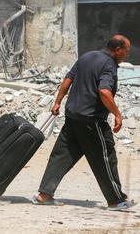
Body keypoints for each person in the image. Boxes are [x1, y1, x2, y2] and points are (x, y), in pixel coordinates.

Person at [32, 34, 135, 211]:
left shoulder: (87, 56)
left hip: (72, 115)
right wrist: (117, 114)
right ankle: (116, 201)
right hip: (91, 120)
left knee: (61, 155)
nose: (127, 54)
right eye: (126, 51)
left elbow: (68, 79)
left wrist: (57, 102)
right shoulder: (109, 65)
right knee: (105, 157)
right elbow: (104, 91)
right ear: (118, 50)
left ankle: (44, 194)